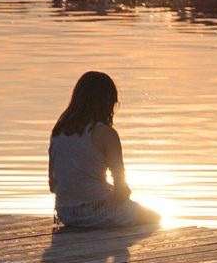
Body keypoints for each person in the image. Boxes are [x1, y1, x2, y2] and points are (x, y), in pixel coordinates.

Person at [48, 71, 160, 228]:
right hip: (98, 212)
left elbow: (53, 186)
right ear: (106, 102)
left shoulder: (58, 131)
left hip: (66, 213)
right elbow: (121, 191)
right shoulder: (106, 134)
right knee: (154, 217)